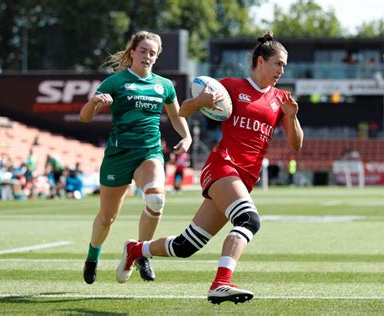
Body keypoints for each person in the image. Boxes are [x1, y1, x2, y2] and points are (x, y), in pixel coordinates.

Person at [116, 31, 303, 304]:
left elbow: (296, 144)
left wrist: (292, 117)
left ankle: (136, 249)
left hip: (245, 177)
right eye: (278, 63)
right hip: (222, 167)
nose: (282, 70)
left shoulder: (281, 99)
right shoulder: (231, 86)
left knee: (185, 246)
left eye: (284, 65)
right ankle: (221, 283)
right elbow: (183, 110)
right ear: (261, 61)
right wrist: (201, 102)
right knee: (249, 220)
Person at [79, 31, 192, 285]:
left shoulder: (164, 85)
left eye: (153, 53)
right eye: (143, 51)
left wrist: (187, 137)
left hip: (149, 153)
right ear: (132, 51)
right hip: (118, 155)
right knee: (107, 217)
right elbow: (84, 117)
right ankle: (92, 257)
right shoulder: (116, 82)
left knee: (156, 199)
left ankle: (142, 254)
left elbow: (175, 115)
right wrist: (95, 101)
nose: (148, 56)